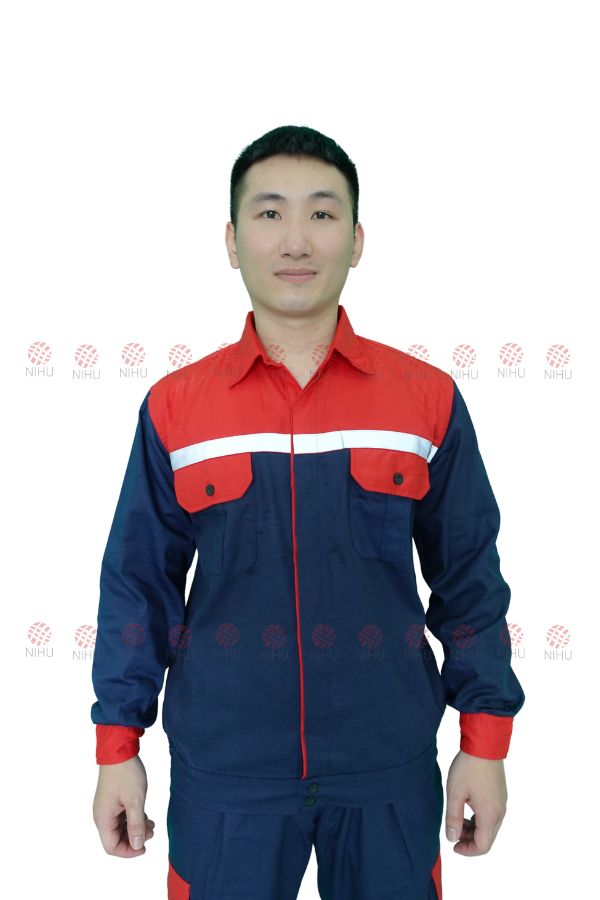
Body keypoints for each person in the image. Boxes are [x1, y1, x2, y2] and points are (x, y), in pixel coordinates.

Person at [91, 124, 525, 899]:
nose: (296, 240)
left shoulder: (424, 400)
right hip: (226, 775)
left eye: (322, 214)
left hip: (387, 770)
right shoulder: (177, 408)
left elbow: (469, 577)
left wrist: (485, 741)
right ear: (232, 241)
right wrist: (116, 748)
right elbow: (137, 583)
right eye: (269, 213)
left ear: (356, 240)